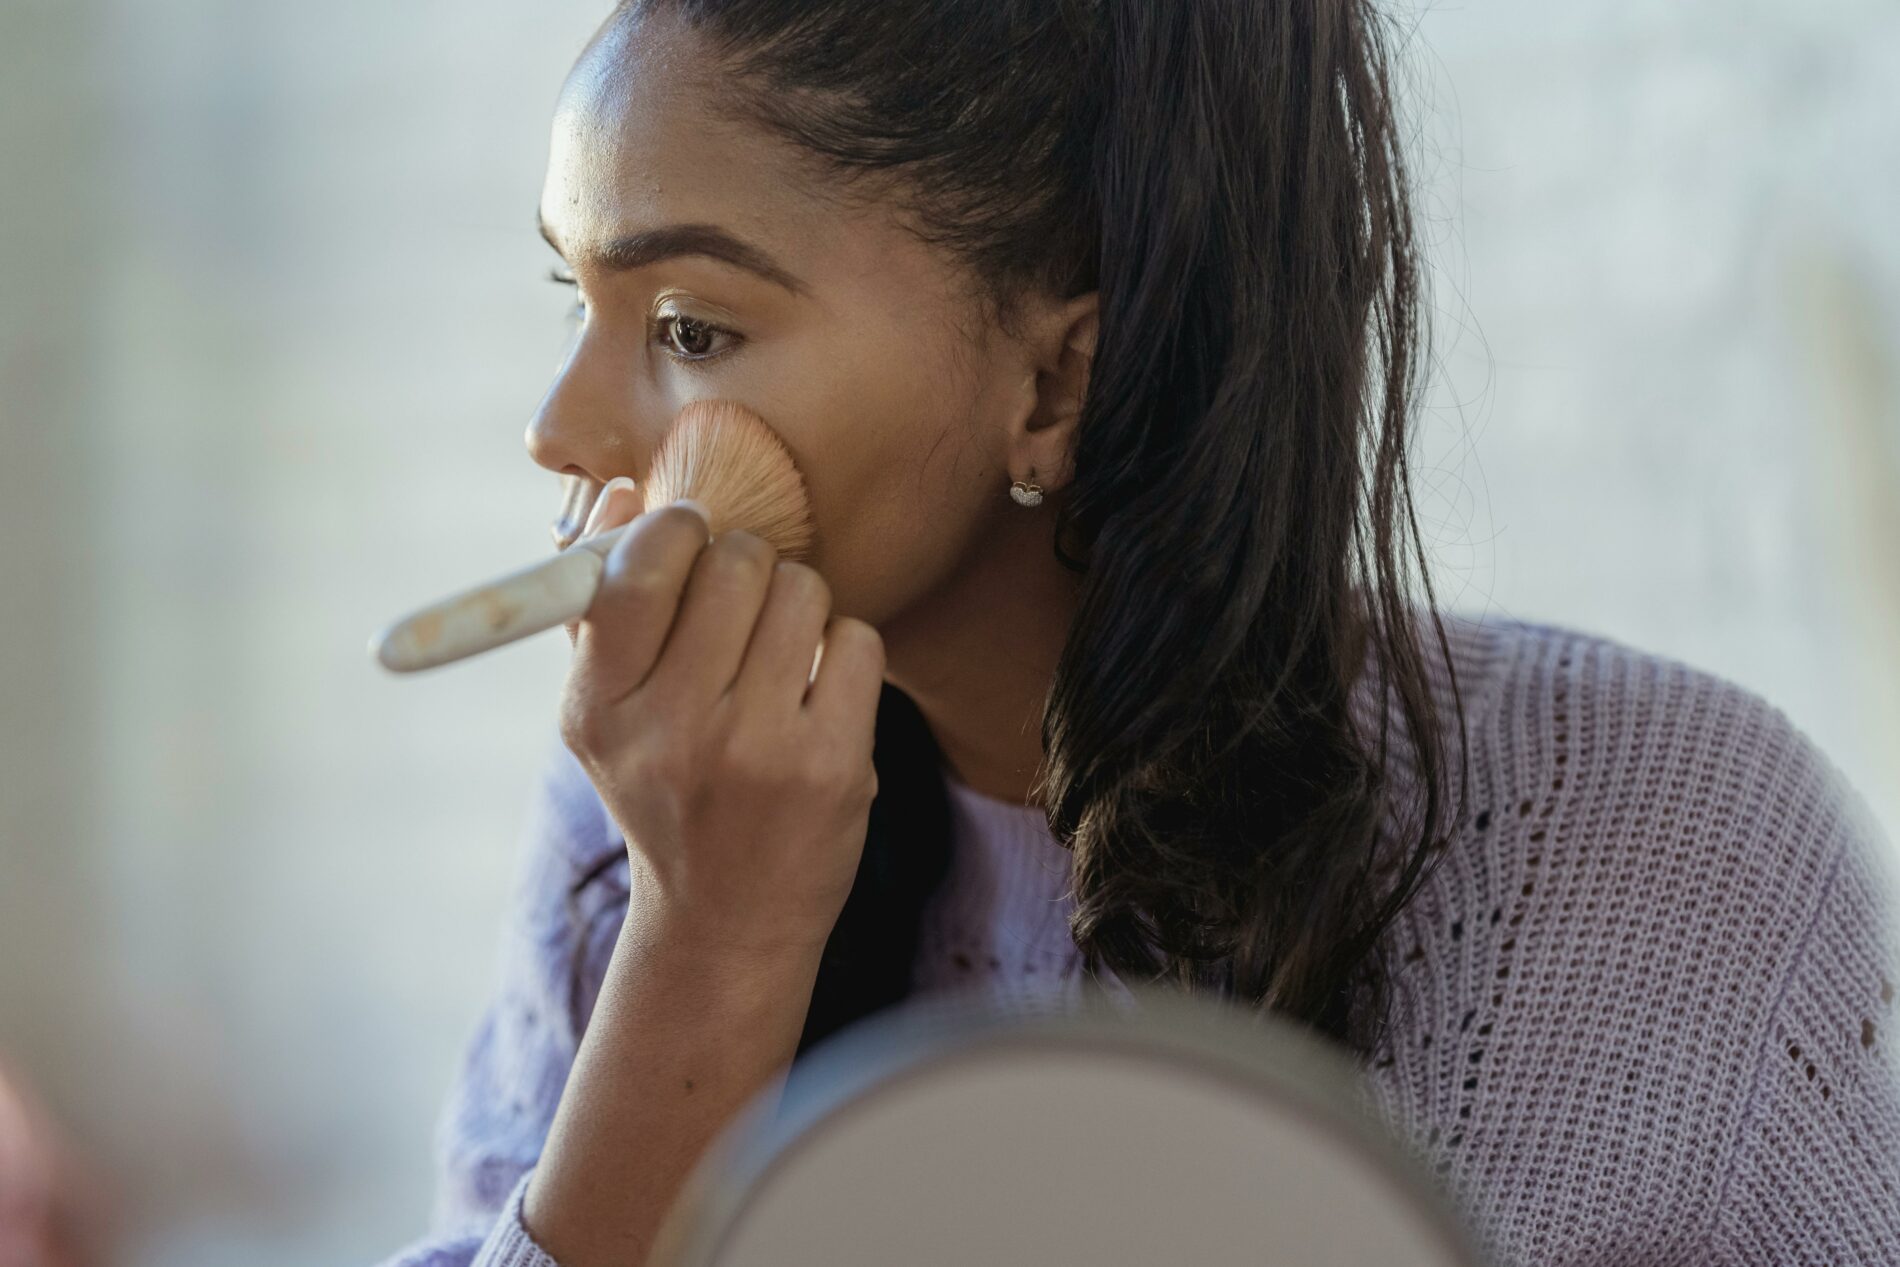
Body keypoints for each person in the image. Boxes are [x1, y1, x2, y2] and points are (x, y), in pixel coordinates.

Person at [376, 1, 1900, 1264]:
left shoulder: (1669, 846)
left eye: (689, 330)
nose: (559, 430)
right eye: (570, 297)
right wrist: (705, 944)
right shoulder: (646, 827)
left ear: (1059, 383)